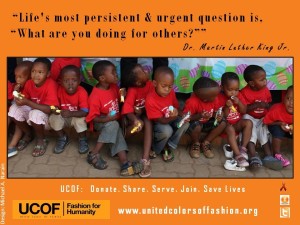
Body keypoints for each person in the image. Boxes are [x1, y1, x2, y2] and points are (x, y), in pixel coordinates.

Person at [86, 60, 143, 176]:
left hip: (113, 121)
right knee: (114, 125)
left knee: (118, 128)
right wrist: (106, 119)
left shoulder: (113, 87)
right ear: (102, 78)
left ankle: (124, 164)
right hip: (101, 121)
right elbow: (93, 118)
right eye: (113, 72)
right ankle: (94, 153)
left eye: (115, 71)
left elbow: (120, 101)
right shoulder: (95, 96)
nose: (116, 74)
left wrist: (123, 98)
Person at [8, 57, 59, 157]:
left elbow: (50, 109)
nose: (36, 75)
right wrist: (18, 97)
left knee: (34, 113)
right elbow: (25, 100)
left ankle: (41, 139)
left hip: (48, 118)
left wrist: (27, 102)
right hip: (33, 113)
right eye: (33, 71)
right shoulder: (29, 83)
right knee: (14, 109)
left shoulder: (51, 85)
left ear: (48, 74)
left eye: (40, 72)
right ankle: (28, 133)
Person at [240, 65, 282, 170]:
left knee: (263, 131)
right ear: (252, 83)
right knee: (251, 131)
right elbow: (244, 109)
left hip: (261, 117)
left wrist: (267, 106)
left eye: (265, 78)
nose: (265, 81)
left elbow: (269, 103)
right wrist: (257, 105)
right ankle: (253, 155)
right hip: (250, 117)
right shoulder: (244, 92)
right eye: (262, 79)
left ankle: (268, 156)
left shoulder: (265, 90)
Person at [145, 66, 189, 162]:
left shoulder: (171, 92)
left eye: (170, 86)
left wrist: (182, 115)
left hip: (170, 118)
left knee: (185, 123)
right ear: (155, 83)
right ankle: (156, 148)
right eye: (164, 86)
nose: (167, 90)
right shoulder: (150, 99)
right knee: (166, 131)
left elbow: (176, 107)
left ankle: (168, 145)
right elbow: (161, 120)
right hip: (159, 124)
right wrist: (175, 116)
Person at [121, 64, 153, 177]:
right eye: (143, 72)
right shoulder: (133, 90)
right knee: (139, 125)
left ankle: (145, 159)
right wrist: (135, 119)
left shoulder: (151, 85)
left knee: (147, 122)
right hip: (133, 117)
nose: (146, 70)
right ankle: (120, 141)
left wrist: (143, 110)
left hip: (146, 113)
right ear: (139, 82)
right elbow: (127, 110)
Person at [49, 65, 89, 154]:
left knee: (80, 120)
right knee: (53, 118)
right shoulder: (58, 90)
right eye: (66, 81)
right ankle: (62, 137)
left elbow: (85, 112)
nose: (70, 83)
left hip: (75, 116)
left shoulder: (82, 92)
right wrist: (54, 109)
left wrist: (71, 113)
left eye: (74, 80)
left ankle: (82, 139)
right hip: (63, 116)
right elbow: (52, 105)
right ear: (61, 82)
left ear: (79, 81)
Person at [183, 77, 226, 159]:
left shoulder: (214, 98)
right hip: (195, 125)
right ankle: (195, 143)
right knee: (196, 125)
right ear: (205, 99)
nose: (217, 97)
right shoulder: (192, 102)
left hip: (207, 123)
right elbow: (186, 118)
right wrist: (199, 115)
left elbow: (217, 111)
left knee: (223, 122)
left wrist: (218, 115)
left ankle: (206, 142)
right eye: (214, 96)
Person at [218, 72, 252, 167]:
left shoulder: (239, 96)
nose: (234, 93)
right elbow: (222, 117)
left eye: (236, 89)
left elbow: (244, 111)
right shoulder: (219, 98)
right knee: (230, 128)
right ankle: (238, 156)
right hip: (225, 126)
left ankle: (243, 149)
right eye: (230, 90)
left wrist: (239, 102)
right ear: (222, 87)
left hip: (236, 123)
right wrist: (227, 107)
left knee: (248, 123)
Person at [7, 61, 33, 157]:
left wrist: (17, 94)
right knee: (14, 115)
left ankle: (12, 146)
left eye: (20, 77)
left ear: (30, 77)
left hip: (28, 112)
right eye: (15, 76)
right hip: (16, 111)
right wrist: (16, 91)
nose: (17, 80)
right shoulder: (16, 86)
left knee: (17, 119)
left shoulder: (30, 86)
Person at [263, 85, 293, 167]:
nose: (291, 103)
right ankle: (277, 154)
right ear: (284, 98)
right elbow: (265, 121)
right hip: (276, 126)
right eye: (288, 98)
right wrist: (279, 123)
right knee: (277, 130)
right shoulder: (276, 109)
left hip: (290, 129)